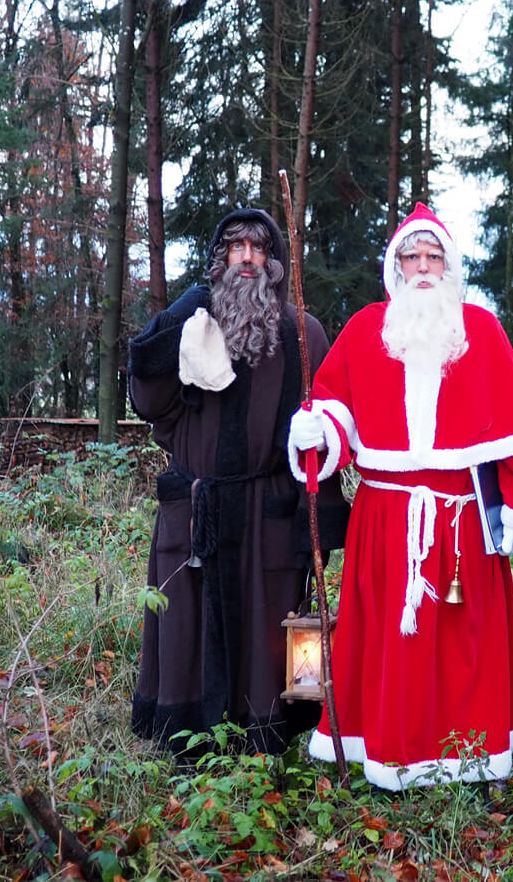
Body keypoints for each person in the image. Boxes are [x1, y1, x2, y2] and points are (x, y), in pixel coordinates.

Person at [286, 203, 513, 790]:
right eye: (413, 256)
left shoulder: (480, 331)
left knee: (466, 649)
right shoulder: (364, 329)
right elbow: (334, 406)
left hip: (463, 523)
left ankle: (472, 762)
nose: (424, 268)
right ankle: (389, 758)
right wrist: (317, 431)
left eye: (435, 257)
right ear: (396, 266)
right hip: (385, 519)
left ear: (450, 266)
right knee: (388, 644)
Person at [126, 208, 347, 756]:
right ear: (219, 258)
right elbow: (147, 400)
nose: (247, 258)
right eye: (235, 247)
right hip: (197, 508)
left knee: (269, 630)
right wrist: (183, 311)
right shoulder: (194, 324)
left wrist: (313, 521)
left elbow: (323, 425)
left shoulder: (303, 332)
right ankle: (187, 740)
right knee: (187, 629)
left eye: (258, 248)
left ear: (273, 260)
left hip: (265, 509)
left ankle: (265, 745)